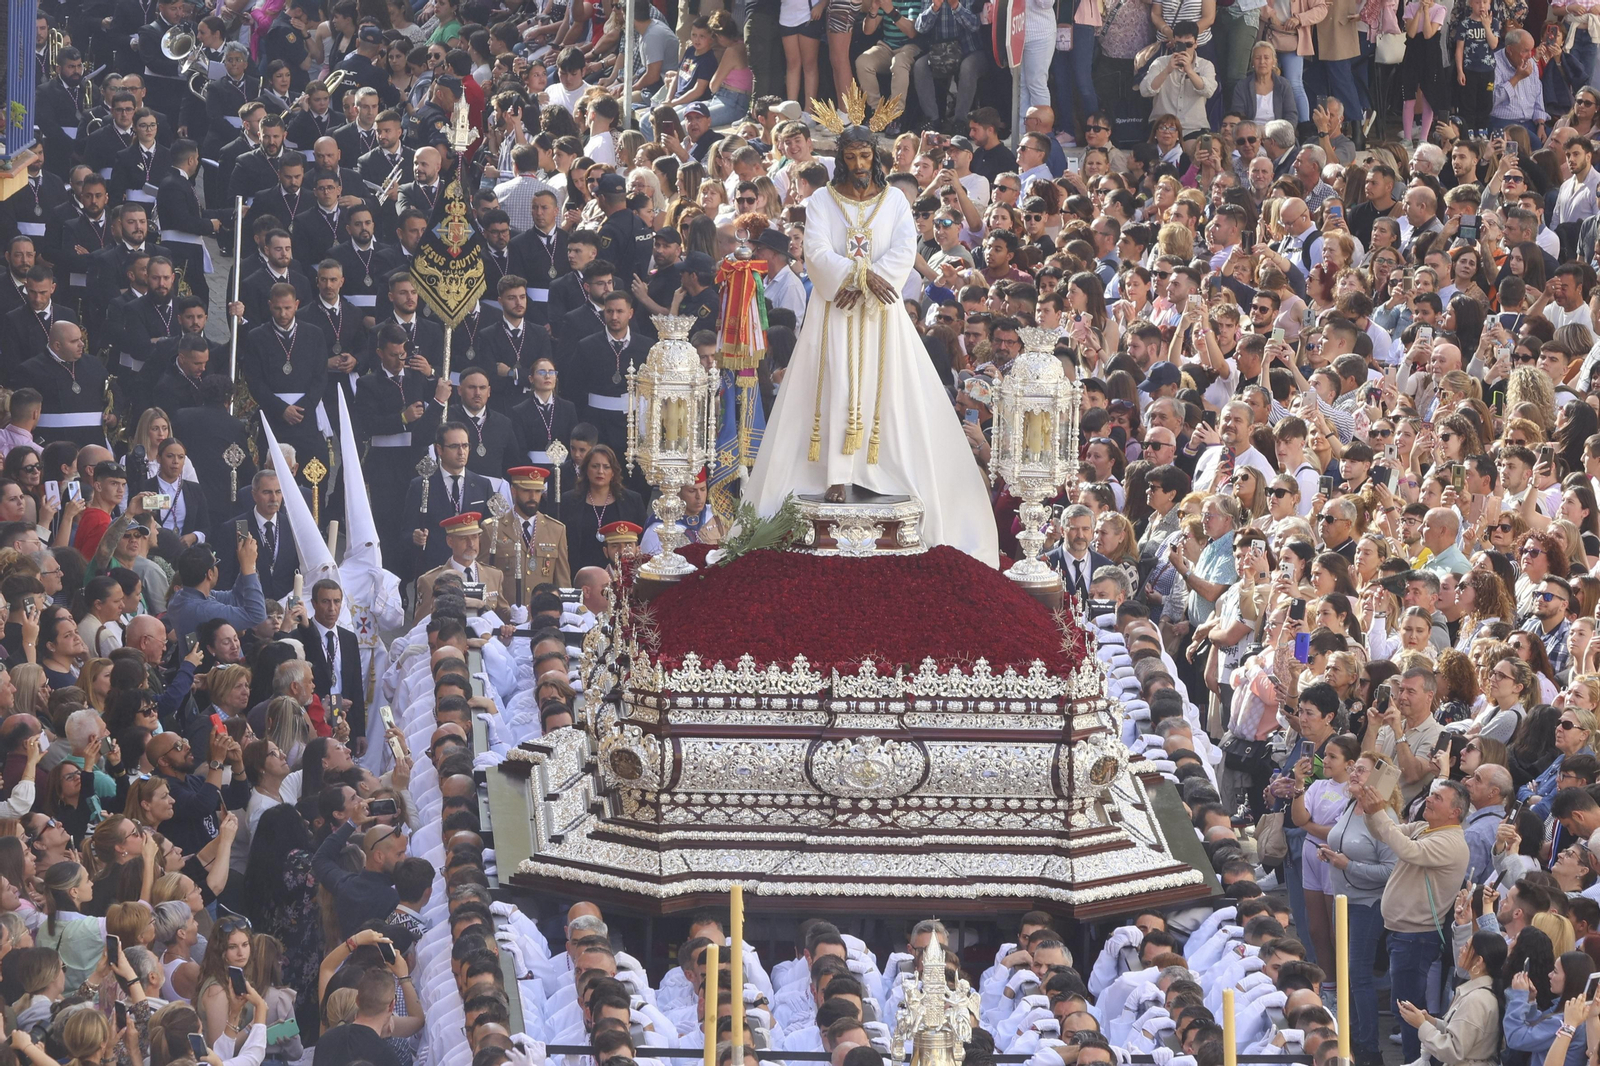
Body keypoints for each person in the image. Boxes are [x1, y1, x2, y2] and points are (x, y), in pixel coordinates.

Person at [745, 115, 999, 567]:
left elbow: (905, 247)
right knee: (833, 386)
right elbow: (817, 250)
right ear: (840, 158)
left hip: (882, 314)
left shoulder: (894, 203)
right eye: (851, 156)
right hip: (835, 311)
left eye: (866, 155)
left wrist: (876, 279)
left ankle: (880, 473)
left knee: (888, 394)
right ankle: (833, 475)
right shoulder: (822, 199)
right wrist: (855, 276)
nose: (860, 163)